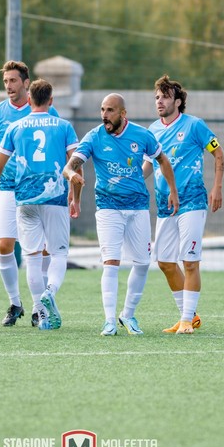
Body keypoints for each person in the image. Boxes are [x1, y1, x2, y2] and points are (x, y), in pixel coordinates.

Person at [63, 93, 179, 336]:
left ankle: (127, 315)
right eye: (102, 110)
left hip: (137, 207)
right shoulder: (94, 136)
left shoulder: (142, 135)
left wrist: (173, 191)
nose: (104, 115)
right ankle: (109, 321)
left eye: (110, 110)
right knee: (111, 263)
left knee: (142, 263)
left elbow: (163, 160)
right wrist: (71, 176)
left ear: (123, 114)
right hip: (108, 207)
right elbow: (70, 165)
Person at [0, 79, 79, 330]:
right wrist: (74, 194)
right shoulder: (64, 126)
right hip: (54, 197)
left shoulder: (16, 127)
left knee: (32, 258)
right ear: (51, 101)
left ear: (29, 99)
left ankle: (40, 310)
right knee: (58, 253)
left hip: (23, 198)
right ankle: (50, 291)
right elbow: (76, 165)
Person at [0, 61, 60, 327]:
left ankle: (38, 307)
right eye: (6, 81)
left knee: (42, 250)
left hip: (38, 191)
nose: (9, 86)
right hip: (9, 187)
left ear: (26, 83)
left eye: (13, 81)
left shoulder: (48, 110)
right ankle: (15, 303)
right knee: (4, 245)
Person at [143, 75, 224, 334]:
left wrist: (217, 187)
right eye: (157, 97)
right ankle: (188, 315)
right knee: (165, 262)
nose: (159, 101)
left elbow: (218, 153)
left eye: (165, 97)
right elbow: (148, 165)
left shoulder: (195, 126)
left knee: (190, 261)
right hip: (165, 206)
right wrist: (129, 179)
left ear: (177, 101)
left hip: (192, 201)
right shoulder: (152, 131)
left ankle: (187, 320)